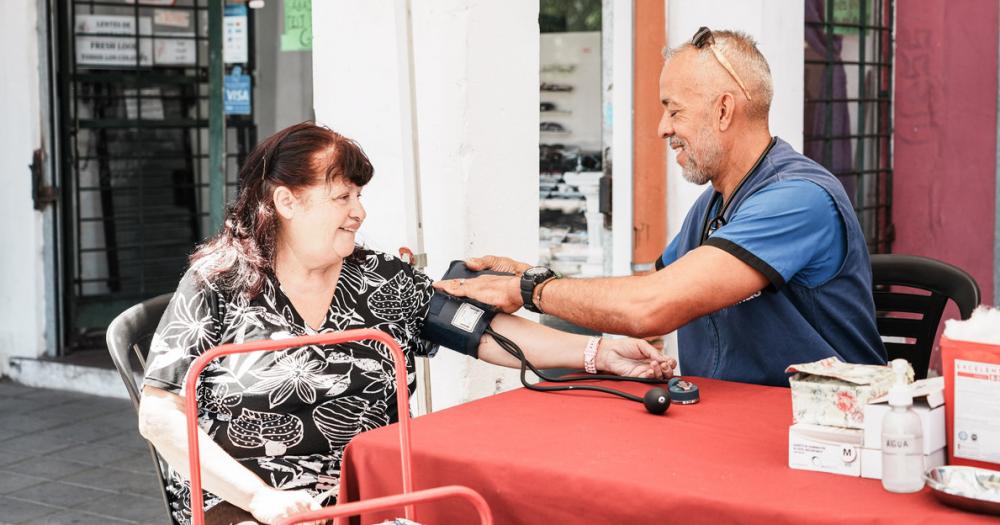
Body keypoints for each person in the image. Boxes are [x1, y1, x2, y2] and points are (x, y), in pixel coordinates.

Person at [137, 122, 673, 525]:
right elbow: (160, 413)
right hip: (251, 505)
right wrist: (259, 497)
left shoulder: (378, 278)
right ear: (286, 201)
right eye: (342, 196)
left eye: (359, 196)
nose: (358, 212)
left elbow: (481, 331)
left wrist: (597, 354)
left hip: (376, 496)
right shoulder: (220, 281)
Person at [436, 28, 887, 387]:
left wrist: (531, 289)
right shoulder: (716, 202)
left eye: (674, 110)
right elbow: (656, 285)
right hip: (728, 424)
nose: (660, 128)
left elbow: (652, 307)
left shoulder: (798, 199)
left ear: (724, 111)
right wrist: (529, 276)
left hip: (823, 437)